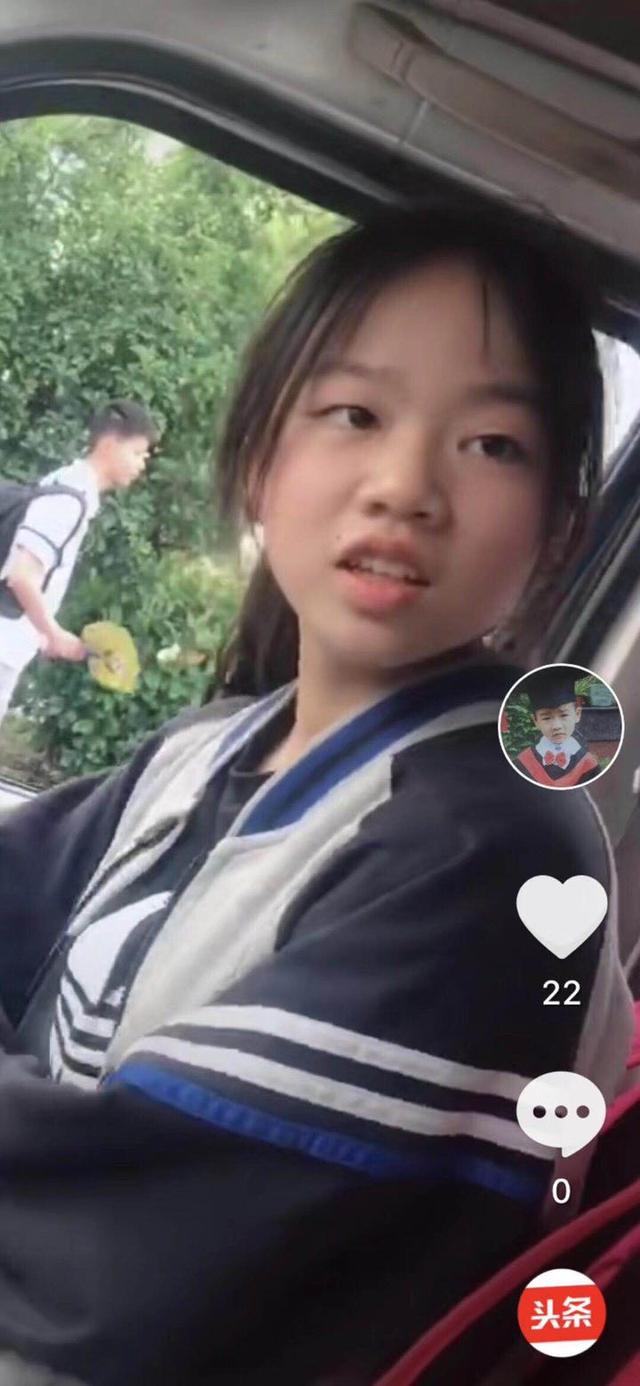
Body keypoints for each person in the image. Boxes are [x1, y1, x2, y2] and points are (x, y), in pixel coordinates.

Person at [0, 207, 635, 1386]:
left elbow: (135, 1254)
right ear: (258, 459)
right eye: (354, 415)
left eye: (492, 443)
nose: (405, 488)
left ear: (558, 529)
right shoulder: (206, 753)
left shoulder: (494, 850)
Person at [0, 399, 158, 724]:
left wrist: (42, 634)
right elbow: (21, 576)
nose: (142, 465)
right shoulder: (68, 500)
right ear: (110, 445)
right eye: (137, 453)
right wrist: (53, 632)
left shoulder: (63, 482)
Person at [514, 666, 601, 787]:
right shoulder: (522, 764)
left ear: (577, 714)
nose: (556, 726)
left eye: (564, 715)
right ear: (536, 721)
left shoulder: (588, 765)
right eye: (546, 718)